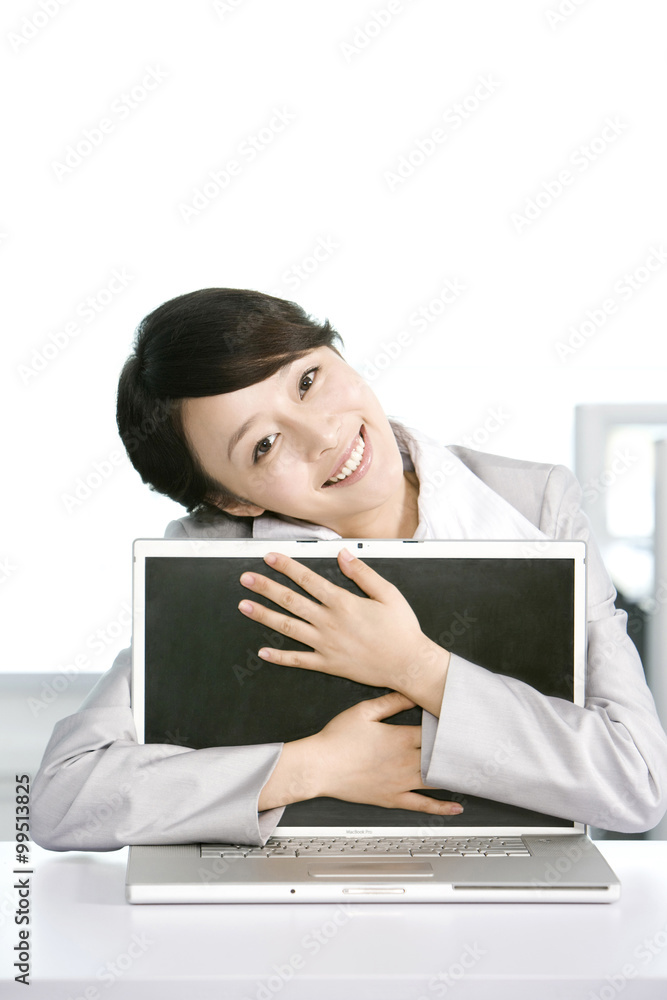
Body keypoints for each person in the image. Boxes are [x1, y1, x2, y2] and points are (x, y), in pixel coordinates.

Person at [32, 288, 667, 851]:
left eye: (306, 380)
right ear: (234, 500)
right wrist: (311, 768)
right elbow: (64, 799)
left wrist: (416, 667)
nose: (323, 435)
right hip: (277, 899)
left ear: (335, 349)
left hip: (507, 889)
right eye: (263, 444)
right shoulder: (213, 557)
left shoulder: (535, 504)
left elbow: (637, 785)